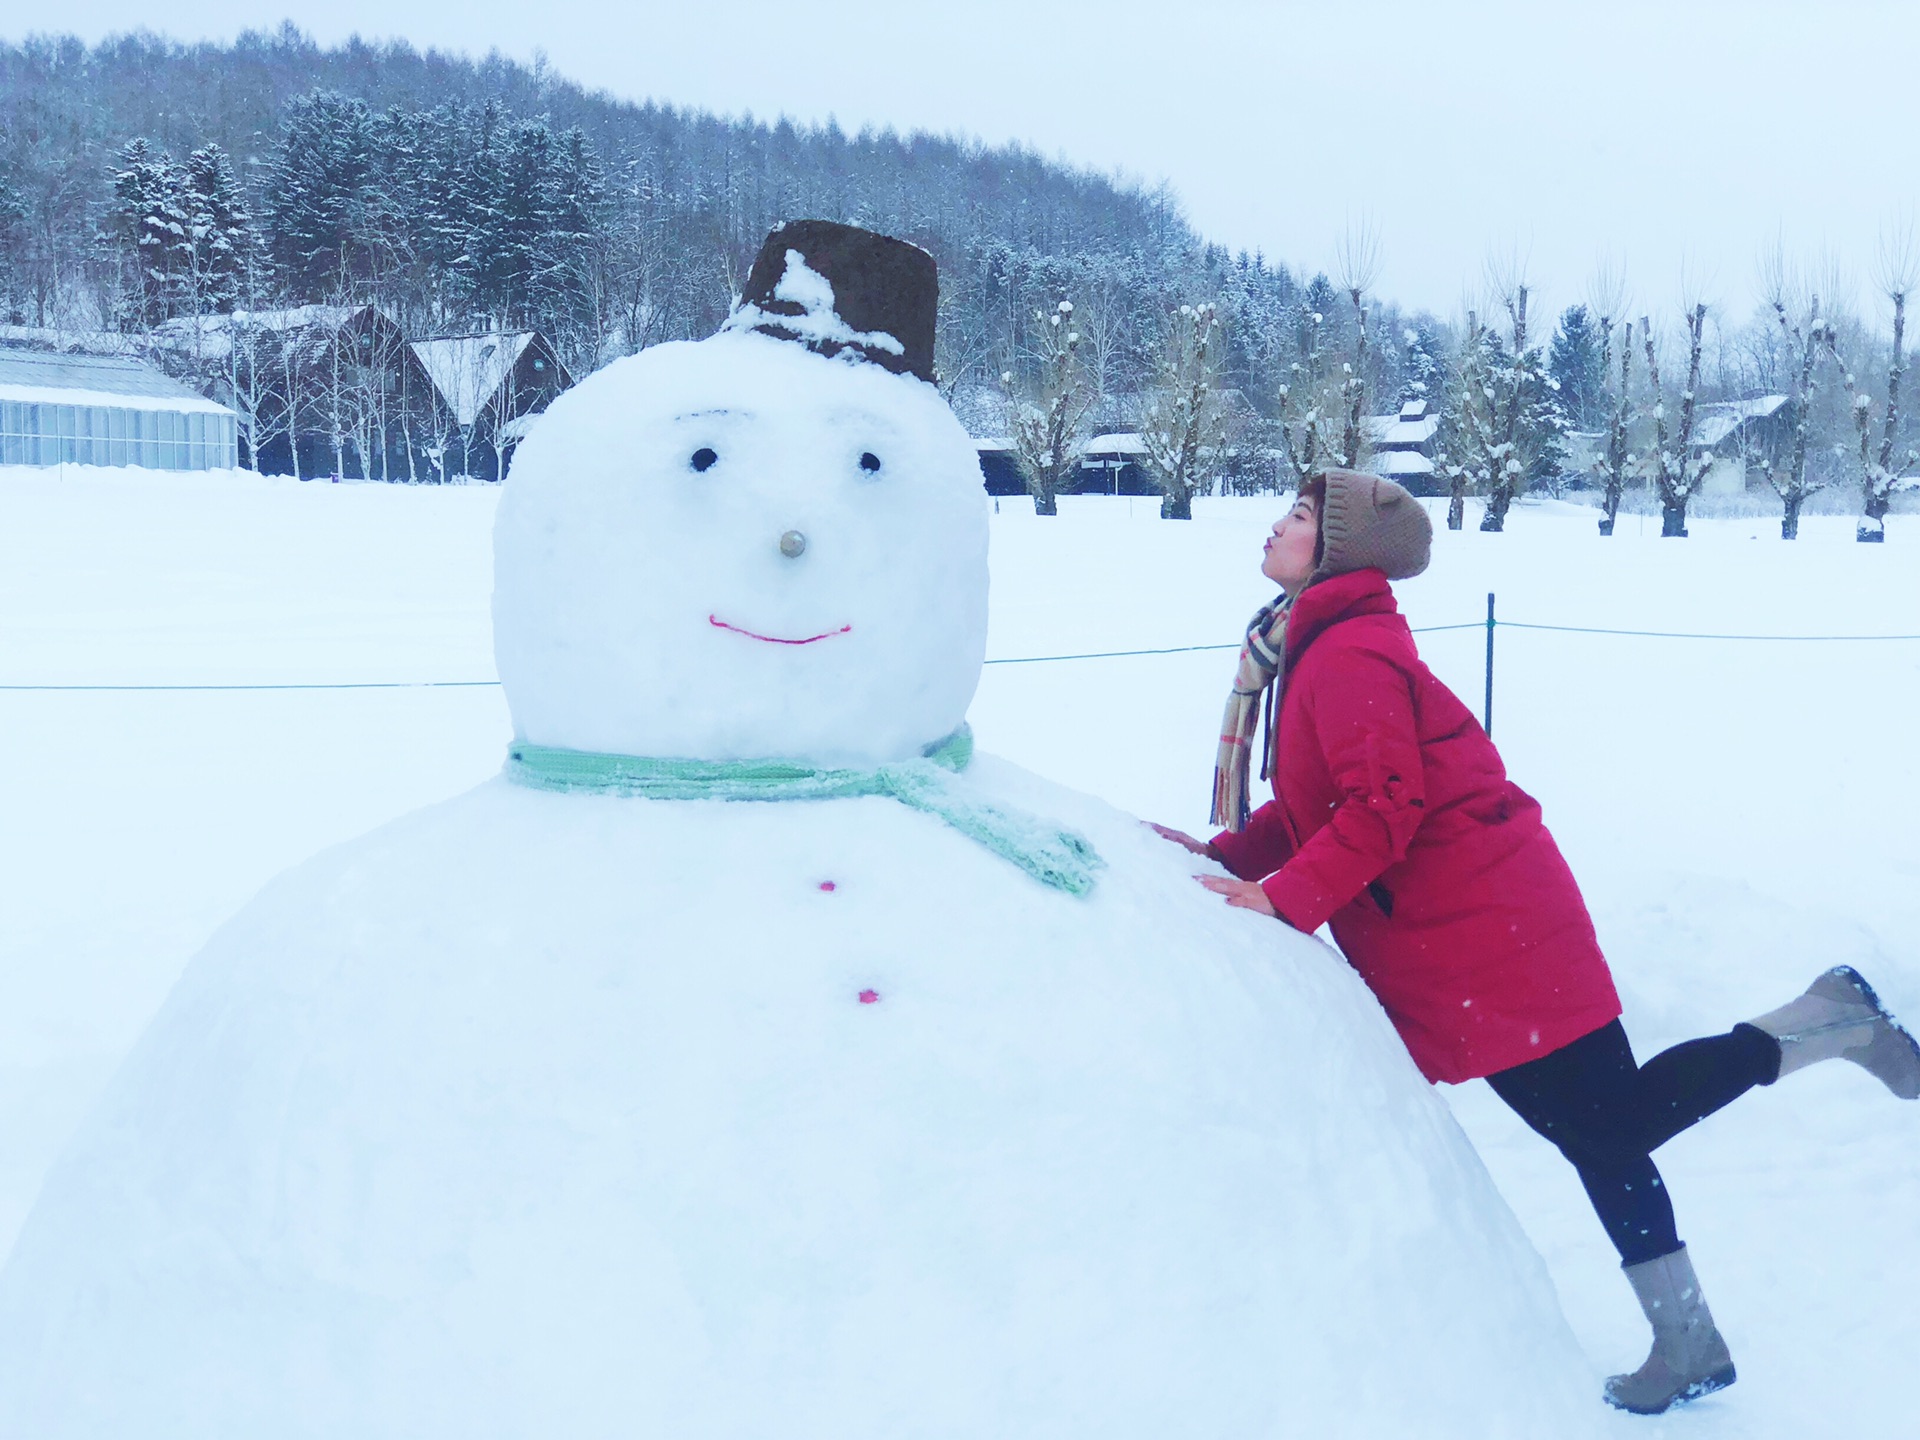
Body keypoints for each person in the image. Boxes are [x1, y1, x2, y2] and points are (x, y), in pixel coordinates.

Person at [1150, 469, 1920, 1416]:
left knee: (1614, 1127)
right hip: (1468, 936)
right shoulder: (1322, 646)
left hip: (1494, 930)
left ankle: (1830, 1020)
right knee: (1603, 1134)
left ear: (1338, 551)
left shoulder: (1344, 656)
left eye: (1301, 517)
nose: (1275, 526)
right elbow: (1320, 802)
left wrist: (1283, 899)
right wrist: (1227, 855)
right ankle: (1690, 1341)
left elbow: (1382, 811)